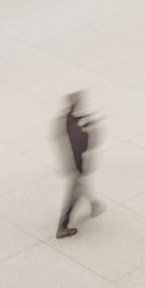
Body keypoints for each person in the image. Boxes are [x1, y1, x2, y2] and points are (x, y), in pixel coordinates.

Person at [56, 93, 102, 238]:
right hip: (76, 164)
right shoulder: (76, 130)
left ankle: (94, 204)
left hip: (71, 164)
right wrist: (87, 131)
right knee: (73, 195)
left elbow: (74, 121)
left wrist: (85, 119)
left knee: (80, 186)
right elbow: (83, 145)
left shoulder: (66, 118)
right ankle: (62, 228)